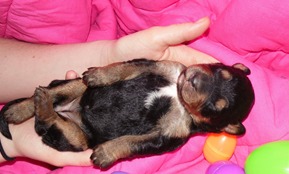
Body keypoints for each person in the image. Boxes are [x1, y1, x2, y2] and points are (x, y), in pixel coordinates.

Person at [0, 17, 217, 166]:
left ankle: (47, 115)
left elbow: (146, 143)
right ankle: (34, 105)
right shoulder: (174, 70)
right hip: (85, 94)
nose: (201, 83)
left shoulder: (180, 128)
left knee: (77, 140)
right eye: (215, 76)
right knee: (77, 86)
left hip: (85, 130)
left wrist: (114, 150)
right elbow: (137, 67)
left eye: (215, 102)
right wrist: (108, 67)